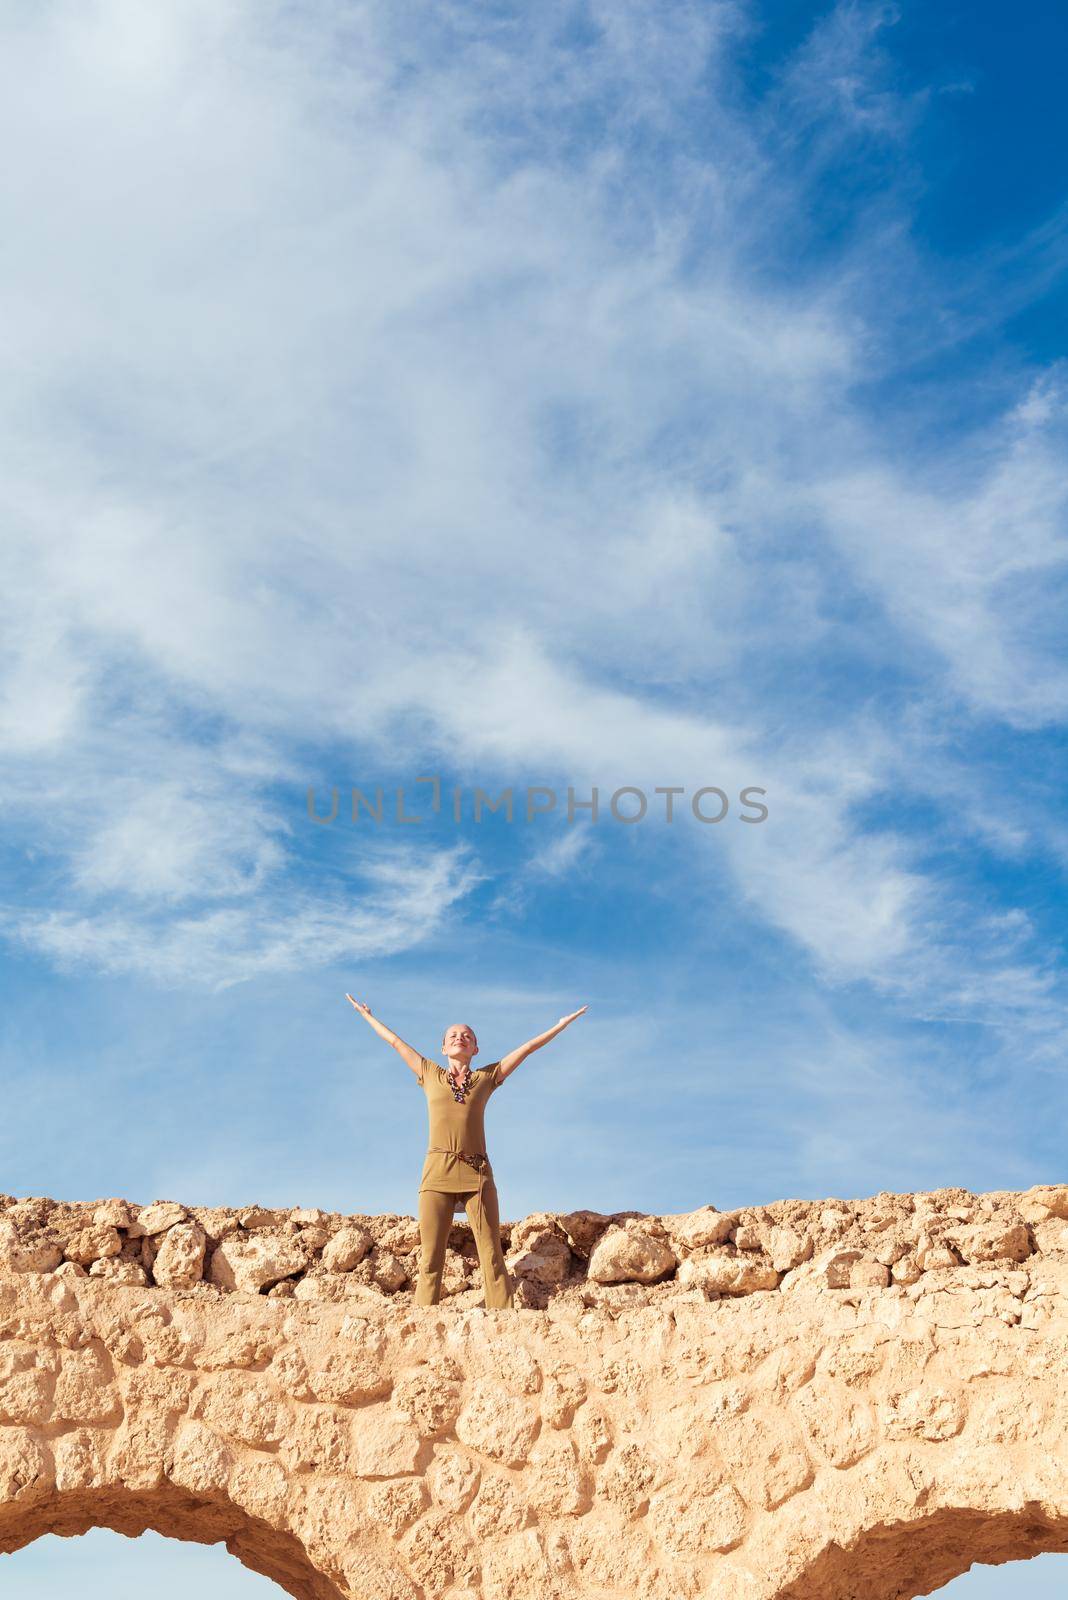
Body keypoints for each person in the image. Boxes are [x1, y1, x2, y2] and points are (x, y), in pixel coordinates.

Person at [344, 997, 588, 1309]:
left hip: (478, 1176)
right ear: (443, 1048)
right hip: (436, 1173)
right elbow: (393, 1041)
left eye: (467, 1036)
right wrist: (367, 1015)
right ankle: (422, 1320)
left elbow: (527, 1049)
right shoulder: (429, 1073)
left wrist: (560, 1025)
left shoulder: (487, 1078)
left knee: (491, 1254)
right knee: (431, 1257)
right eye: (453, 1036)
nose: (461, 1037)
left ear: (476, 1050)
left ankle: (503, 1319)